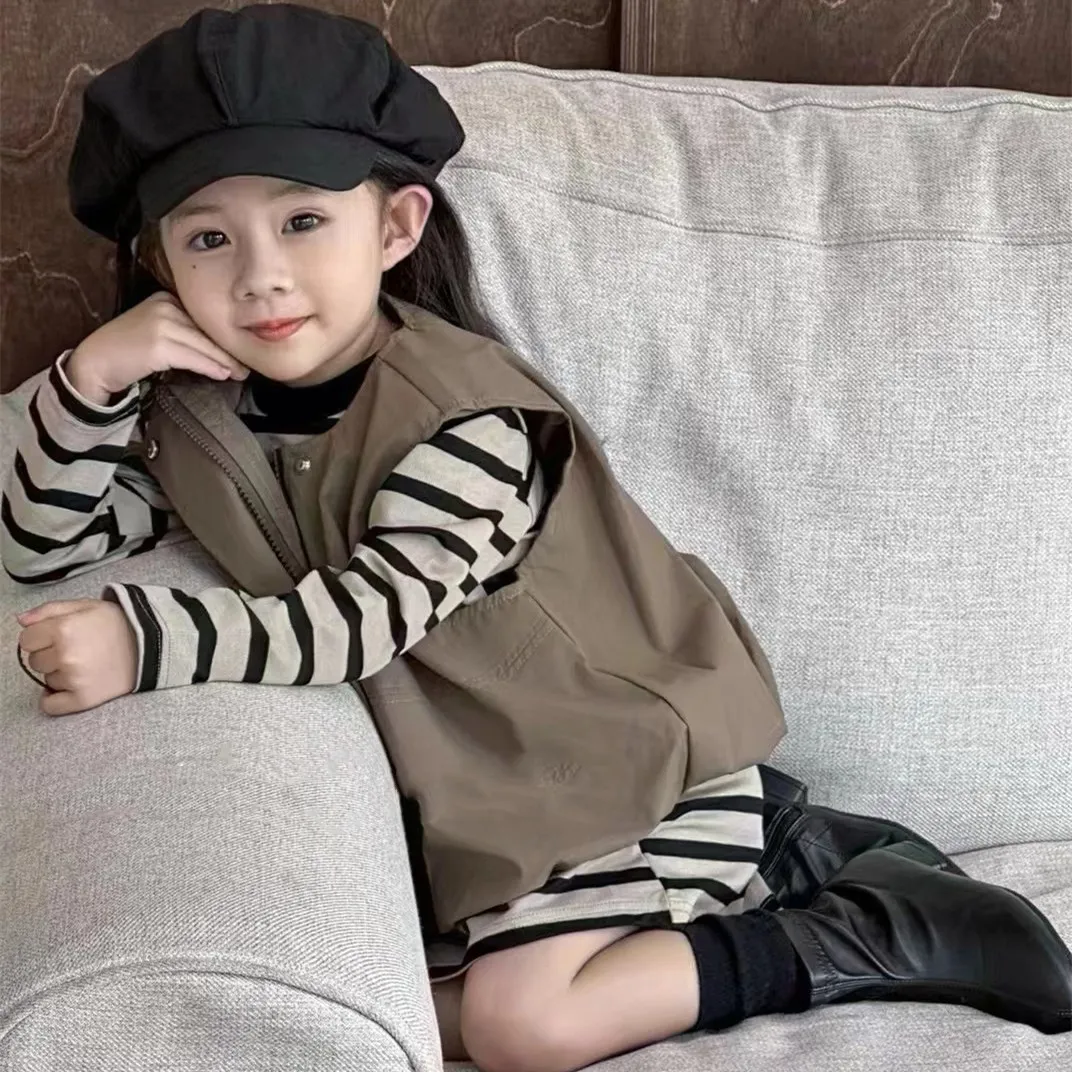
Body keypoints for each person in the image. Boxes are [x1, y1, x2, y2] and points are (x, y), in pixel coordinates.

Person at [3, 6, 1069, 1070]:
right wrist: (89, 378)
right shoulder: (201, 420)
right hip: (496, 801)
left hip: (622, 775)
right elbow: (44, 547)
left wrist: (144, 642)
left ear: (395, 228)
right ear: (161, 266)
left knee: (522, 1028)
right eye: (208, 239)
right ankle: (778, 858)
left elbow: (360, 622)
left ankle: (871, 923)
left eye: (304, 221)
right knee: (392, 1004)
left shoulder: (466, 424)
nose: (260, 276)